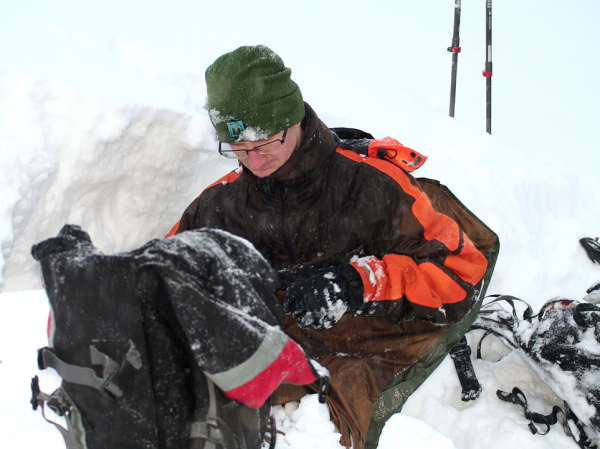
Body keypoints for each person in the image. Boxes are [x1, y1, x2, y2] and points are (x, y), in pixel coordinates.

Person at [167, 45, 489, 449]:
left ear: (292, 121)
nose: (254, 160)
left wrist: (357, 283)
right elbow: (162, 277)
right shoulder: (220, 204)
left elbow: (461, 274)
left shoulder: (371, 185)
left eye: (265, 143)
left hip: (369, 342)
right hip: (275, 346)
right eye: (238, 149)